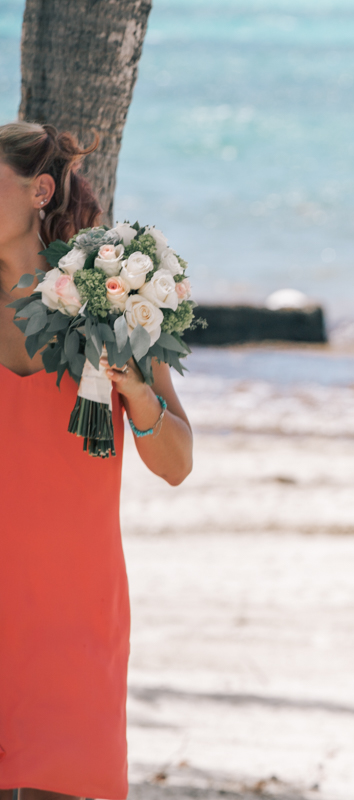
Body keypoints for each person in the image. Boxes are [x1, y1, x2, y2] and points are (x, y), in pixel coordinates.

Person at [0, 121, 194, 800]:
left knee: (65, 781)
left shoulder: (113, 300)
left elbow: (175, 463)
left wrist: (137, 392)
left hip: (73, 608)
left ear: (39, 189)